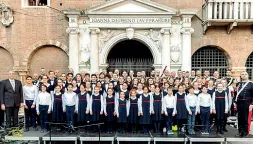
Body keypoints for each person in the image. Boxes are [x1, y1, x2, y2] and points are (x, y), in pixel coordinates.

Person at [235, 72, 253, 137]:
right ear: (241, 76)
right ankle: (240, 131)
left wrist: (252, 104)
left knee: (245, 118)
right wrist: (235, 102)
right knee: (239, 118)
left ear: (248, 75)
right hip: (239, 103)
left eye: (245, 74)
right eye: (242, 74)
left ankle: (245, 132)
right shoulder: (238, 84)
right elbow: (235, 94)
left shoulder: (251, 84)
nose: (244, 75)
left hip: (247, 103)